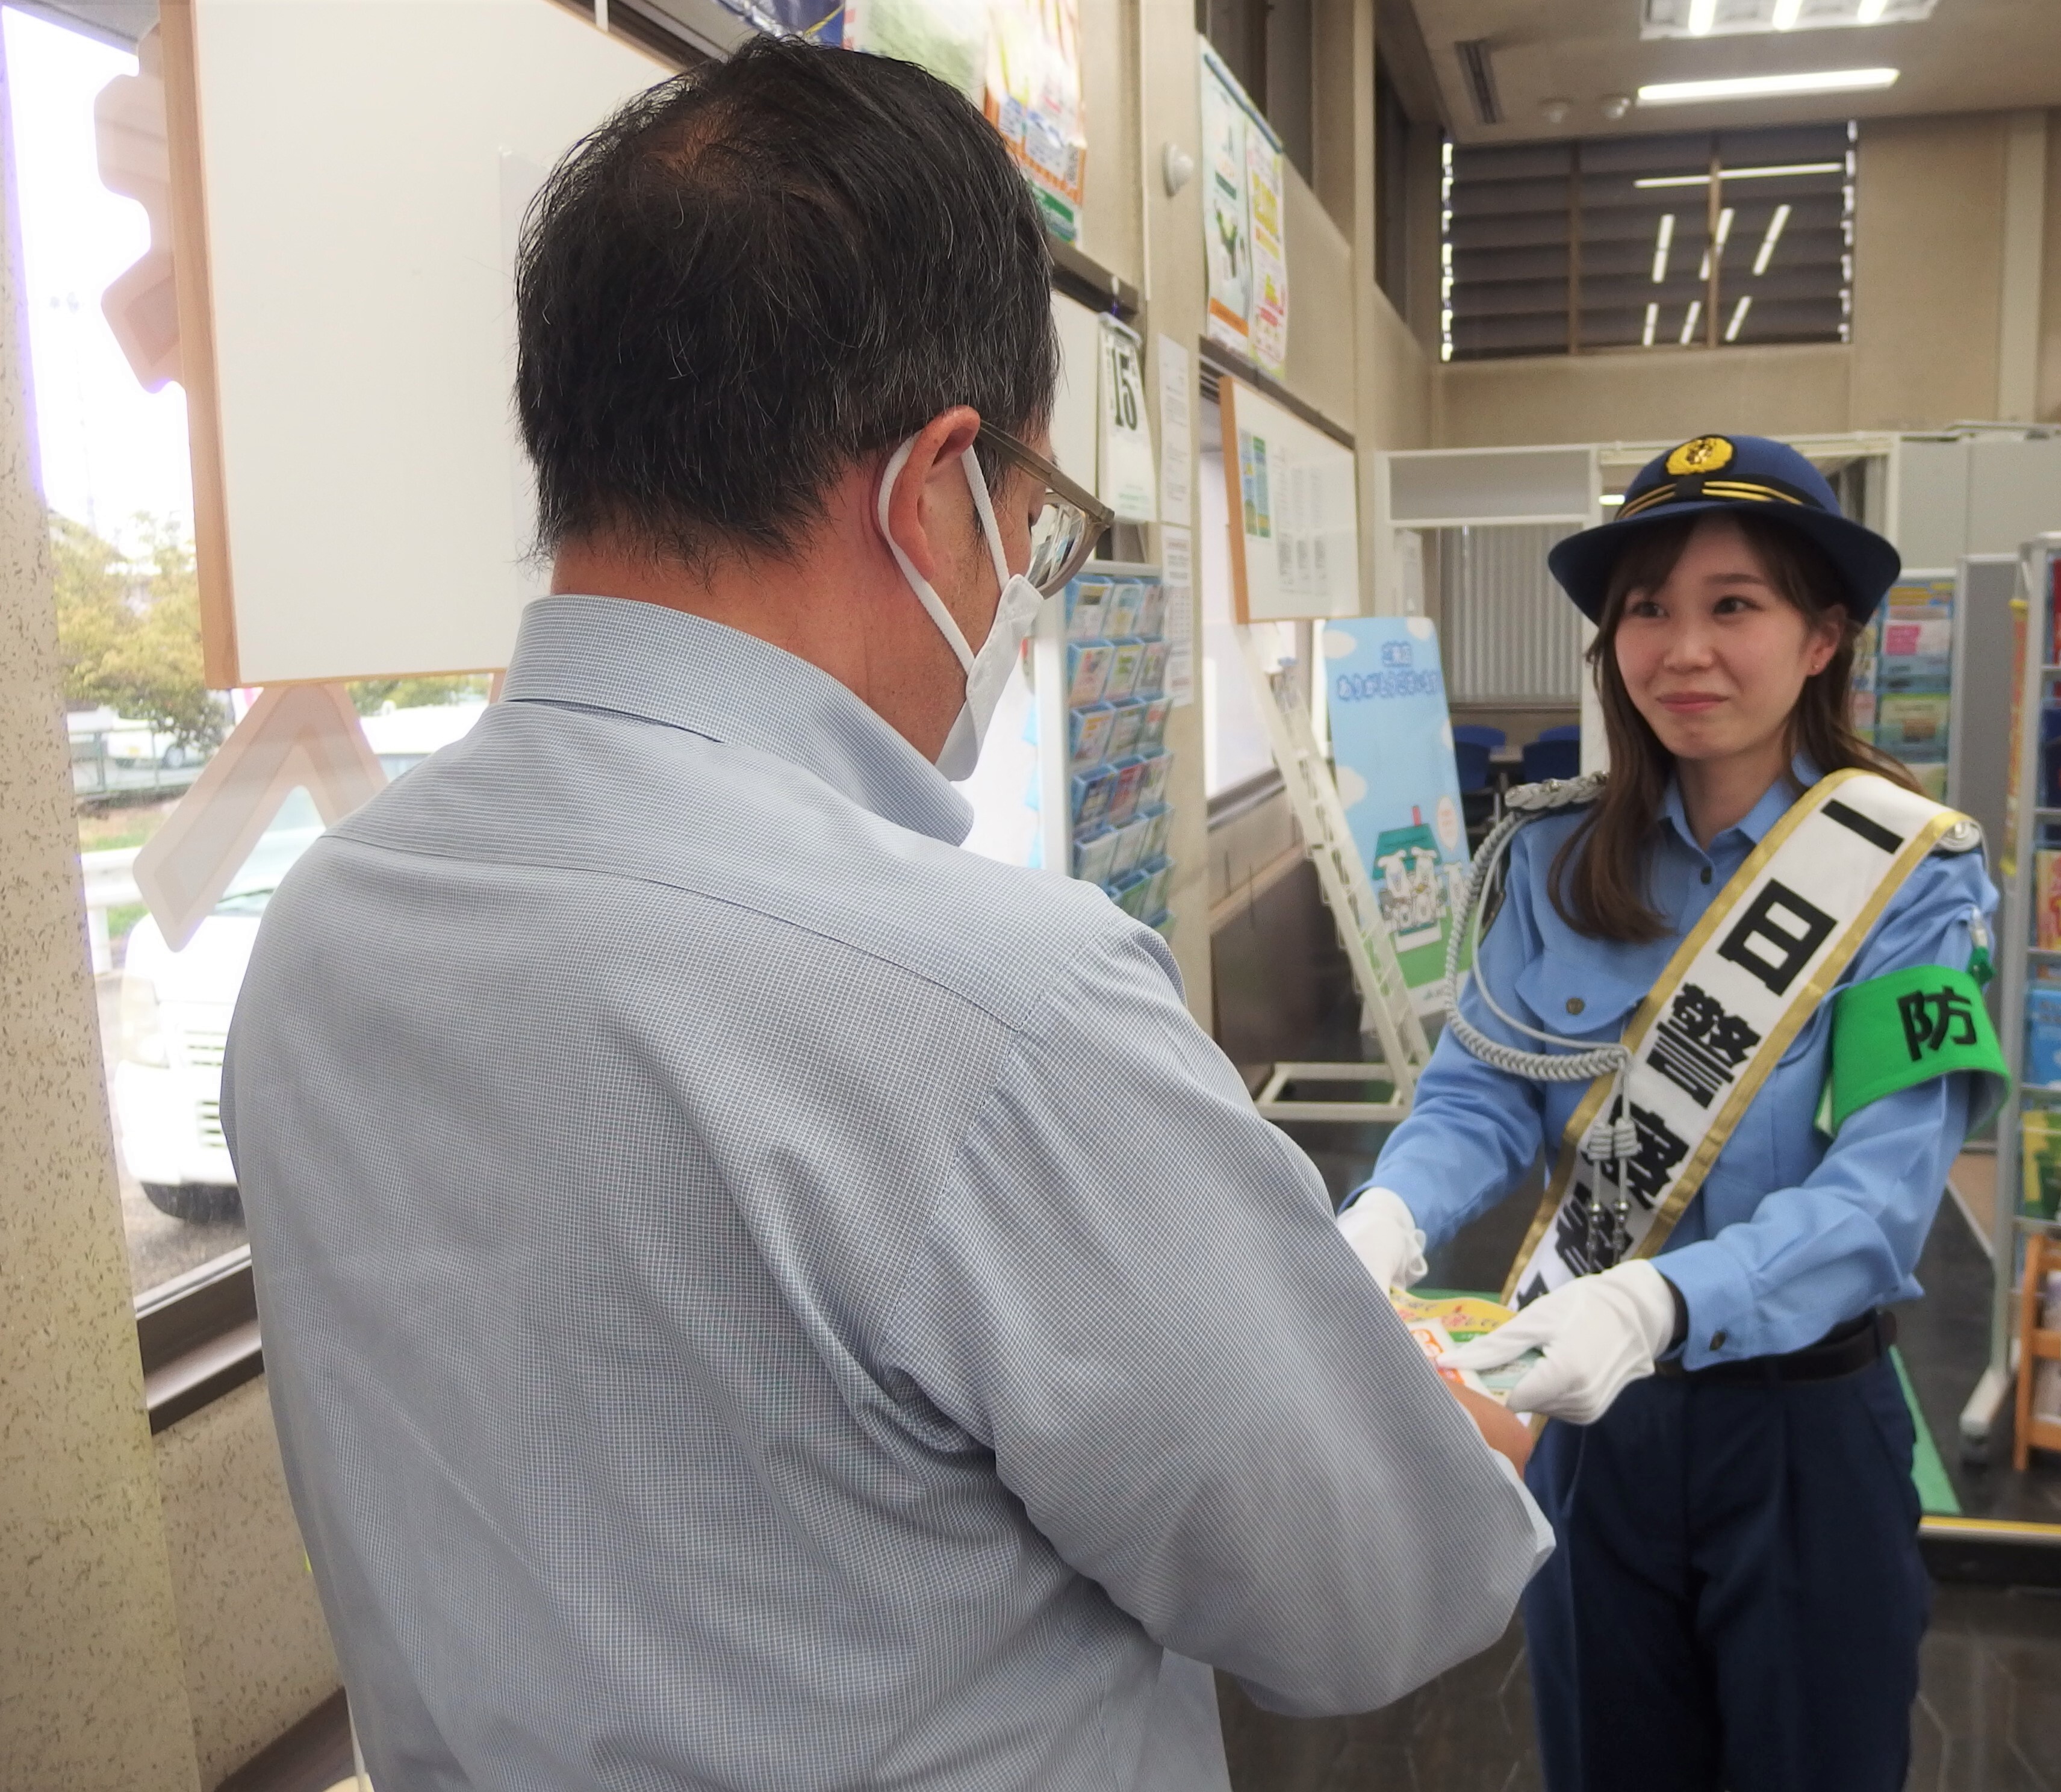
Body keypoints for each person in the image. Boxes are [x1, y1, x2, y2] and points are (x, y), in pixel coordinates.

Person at [223, 39, 1548, 1792]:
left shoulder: (323, 935)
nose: (1017, 592)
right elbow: (1373, 1591)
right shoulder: (998, 1008)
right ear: (934, 491)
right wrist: (1462, 1434)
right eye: (1033, 525)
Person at [1338, 435, 2006, 1792]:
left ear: (1822, 637)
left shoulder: (1910, 876)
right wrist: (1389, 1214)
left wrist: (1655, 1304)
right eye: (1647, 608)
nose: (1683, 649)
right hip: (1594, 1431)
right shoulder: (1555, 856)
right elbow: (1483, 1092)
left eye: (1732, 604)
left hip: (1802, 1433)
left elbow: (1880, 1201)